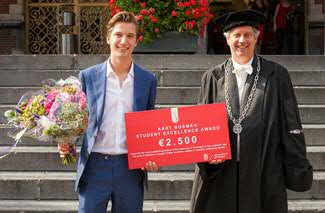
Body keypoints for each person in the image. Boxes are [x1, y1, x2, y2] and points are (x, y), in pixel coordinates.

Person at [190, 9, 313, 213]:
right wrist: (207, 155)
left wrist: (297, 166)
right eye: (236, 35)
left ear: (256, 38)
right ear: (227, 39)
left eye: (247, 35)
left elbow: (290, 122)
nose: (242, 40)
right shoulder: (212, 77)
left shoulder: (276, 74)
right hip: (222, 172)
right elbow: (201, 126)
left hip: (263, 169)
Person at [58, 11, 159, 213]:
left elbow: (149, 123)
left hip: (130, 169)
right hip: (95, 166)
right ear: (108, 38)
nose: (124, 41)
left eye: (130, 36)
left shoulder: (148, 80)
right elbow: (77, 117)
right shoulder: (88, 77)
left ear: (136, 41)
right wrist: (66, 139)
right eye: (118, 35)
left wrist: (153, 154)